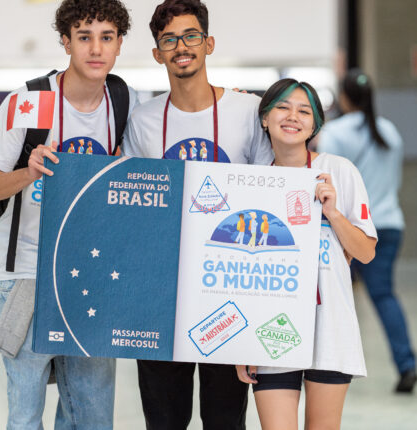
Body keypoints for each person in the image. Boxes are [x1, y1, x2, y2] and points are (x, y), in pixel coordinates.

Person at [0, 1, 137, 428]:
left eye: (106, 37)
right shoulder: (29, 102)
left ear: (120, 43)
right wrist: (27, 172)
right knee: (25, 414)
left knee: (92, 415)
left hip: (91, 276)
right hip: (26, 274)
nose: (96, 49)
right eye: (84, 37)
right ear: (65, 42)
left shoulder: (123, 102)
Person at [122, 1, 273, 428]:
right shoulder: (143, 120)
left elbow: (269, 196)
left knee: (225, 420)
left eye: (190, 36)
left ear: (208, 44)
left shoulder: (247, 111)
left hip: (227, 291)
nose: (181, 47)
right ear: (157, 53)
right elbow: (132, 207)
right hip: (161, 293)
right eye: (169, 40)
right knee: (163, 420)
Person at [236, 78, 377, 429]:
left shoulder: (339, 171)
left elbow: (366, 252)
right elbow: (239, 272)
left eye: (304, 111)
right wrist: (240, 345)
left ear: (315, 124)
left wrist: (333, 213)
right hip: (270, 331)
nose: (292, 117)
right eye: (283, 108)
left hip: (331, 327)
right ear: (265, 118)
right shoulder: (250, 181)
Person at [318, 69, 417, 394]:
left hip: (348, 229)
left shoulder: (335, 133)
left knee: (327, 295)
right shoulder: (390, 131)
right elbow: (395, 180)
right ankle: (407, 365)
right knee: (384, 295)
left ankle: (321, 365)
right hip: (389, 223)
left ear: (344, 97)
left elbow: (326, 180)